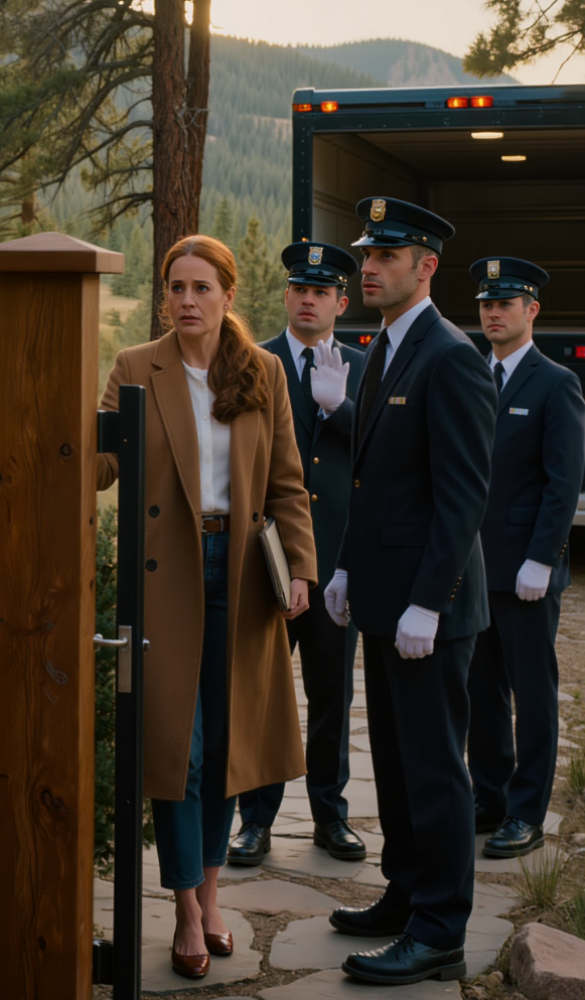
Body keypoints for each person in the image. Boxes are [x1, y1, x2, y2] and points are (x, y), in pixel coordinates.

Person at [97, 235, 317, 979]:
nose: (186, 300)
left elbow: (287, 482)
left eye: (201, 287)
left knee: (227, 749)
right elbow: (98, 464)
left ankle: (213, 896)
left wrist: (302, 570)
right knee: (178, 750)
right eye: (175, 287)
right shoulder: (135, 368)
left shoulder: (263, 372)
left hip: (246, 574)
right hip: (167, 576)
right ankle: (187, 908)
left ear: (228, 295)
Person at [323, 197, 496, 985]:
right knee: (393, 763)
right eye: (368, 253)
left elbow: (462, 496)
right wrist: (350, 566)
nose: (369, 266)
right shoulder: (385, 347)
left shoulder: (450, 354)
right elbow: (375, 481)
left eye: (386, 256)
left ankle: (440, 931)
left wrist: (430, 598)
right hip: (387, 599)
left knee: (433, 770)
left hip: (430, 607)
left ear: (425, 267)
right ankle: (406, 891)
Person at [228, 241, 366, 868]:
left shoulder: (365, 370)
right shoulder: (253, 364)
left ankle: (330, 816)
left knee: (331, 694)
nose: (309, 300)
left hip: (336, 559)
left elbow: (382, 453)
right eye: (299, 290)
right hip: (267, 559)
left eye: (322, 292)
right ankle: (254, 820)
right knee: (260, 693)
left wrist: (341, 412)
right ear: (286, 297)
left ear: (342, 301)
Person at [466, 257, 585, 858]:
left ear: (531, 310)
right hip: (475, 567)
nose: (492, 313)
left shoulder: (555, 382)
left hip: (526, 572)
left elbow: (564, 483)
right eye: (487, 304)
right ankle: (488, 799)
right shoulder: (470, 372)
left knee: (532, 695)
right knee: (481, 693)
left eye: (505, 304)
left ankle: (527, 811)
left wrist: (544, 556)